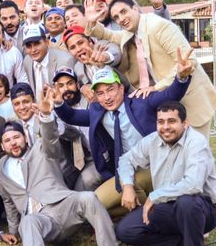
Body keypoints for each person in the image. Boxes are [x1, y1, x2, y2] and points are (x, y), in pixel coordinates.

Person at [0, 89, 131, 246]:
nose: (13, 142)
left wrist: (47, 117)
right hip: (41, 221)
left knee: (88, 197)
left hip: (63, 206)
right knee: (27, 222)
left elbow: (50, 140)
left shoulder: (41, 150)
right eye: (8, 140)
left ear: (24, 139)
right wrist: (13, 232)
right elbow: (9, 201)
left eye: (17, 137)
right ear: (2, 146)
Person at [53, 51, 194, 214]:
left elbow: (170, 95)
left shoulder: (141, 101)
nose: (107, 97)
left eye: (110, 89)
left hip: (159, 165)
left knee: (135, 189)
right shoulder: (98, 111)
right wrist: (58, 103)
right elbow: (71, 116)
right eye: (100, 93)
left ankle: (157, 209)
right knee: (97, 203)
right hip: (129, 169)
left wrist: (181, 78)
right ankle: (143, 211)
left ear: (121, 88)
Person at [116, 101, 216, 246]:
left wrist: (154, 196)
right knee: (125, 230)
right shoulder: (153, 140)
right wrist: (127, 185)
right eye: (161, 122)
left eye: (171, 121)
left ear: (184, 123)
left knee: (187, 202)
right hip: (167, 206)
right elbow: (126, 159)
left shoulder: (197, 142)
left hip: (201, 208)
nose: (165, 127)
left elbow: (193, 184)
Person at [85, 0, 216, 138]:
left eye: (124, 12)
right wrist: (92, 22)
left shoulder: (159, 27)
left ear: (136, 8)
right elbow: (109, 35)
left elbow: (188, 61)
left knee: (195, 155)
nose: (121, 19)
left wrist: (156, 87)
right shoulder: (131, 32)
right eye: (116, 17)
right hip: (168, 103)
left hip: (191, 101)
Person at [21, 24, 75, 101]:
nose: (33, 50)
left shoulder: (65, 60)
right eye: (29, 46)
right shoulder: (27, 60)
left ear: (46, 42)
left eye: (37, 43)